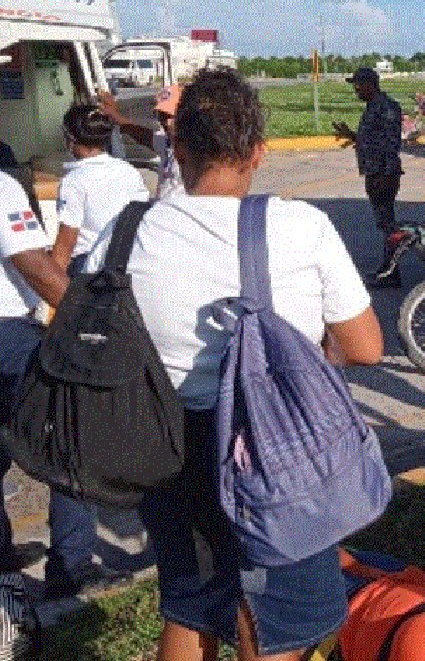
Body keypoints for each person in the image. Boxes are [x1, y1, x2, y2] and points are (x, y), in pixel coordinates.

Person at [85, 68, 383, 661]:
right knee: (275, 618)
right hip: (275, 454)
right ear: (258, 152)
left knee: (190, 602)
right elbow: (363, 346)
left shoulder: (124, 233)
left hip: (167, 451)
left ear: (180, 146)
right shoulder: (302, 227)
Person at [0, 171, 134, 596]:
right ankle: (71, 565)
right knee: (68, 436)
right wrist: (94, 315)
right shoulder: (1, 187)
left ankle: (2, 559)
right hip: (8, 334)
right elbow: (35, 266)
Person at [51, 104, 150, 274]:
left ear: (71, 140)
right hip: (126, 259)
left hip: (88, 264)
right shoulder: (128, 170)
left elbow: (66, 244)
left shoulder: (73, 181)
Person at [333, 67, 404, 276]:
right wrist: (352, 136)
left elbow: (390, 145)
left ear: (368, 84)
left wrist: (385, 176)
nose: (356, 90)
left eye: (357, 85)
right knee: (384, 224)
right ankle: (389, 268)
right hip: (375, 173)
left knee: (388, 225)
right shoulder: (374, 107)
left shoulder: (386, 108)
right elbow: (374, 140)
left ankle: (391, 271)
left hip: (383, 174)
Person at [98, 84, 184, 200]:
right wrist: (115, 115)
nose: (166, 123)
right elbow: (142, 135)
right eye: (161, 116)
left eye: (171, 116)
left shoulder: (199, 153)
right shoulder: (167, 143)